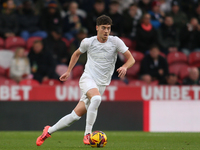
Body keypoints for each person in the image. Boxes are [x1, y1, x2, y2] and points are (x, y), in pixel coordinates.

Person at [36, 15, 135, 146]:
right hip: (88, 79)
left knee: (74, 116)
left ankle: (48, 131)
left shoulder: (115, 41)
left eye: (108, 28)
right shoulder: (88, 42)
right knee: (96, 99)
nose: (106, 31)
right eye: (103, 28)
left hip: (101, 84)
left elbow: (131, 59)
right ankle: (87, 134)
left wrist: (124, 66)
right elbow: (76, 54)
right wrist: (68, 71)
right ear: (97, 28)